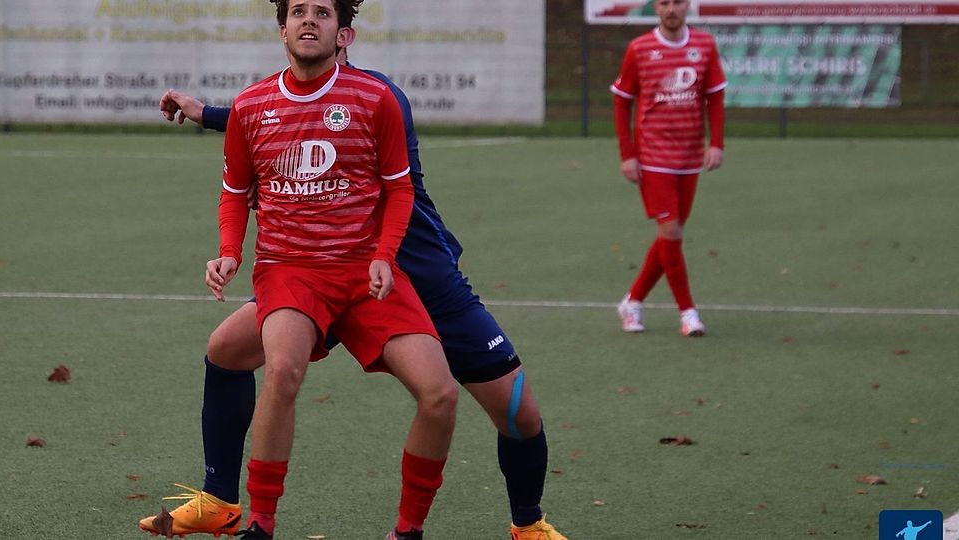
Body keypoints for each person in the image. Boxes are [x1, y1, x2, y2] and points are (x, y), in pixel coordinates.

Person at [139, 1, 567, 539]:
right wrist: (212, 115)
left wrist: (213, 115)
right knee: (226, 352)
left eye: (323, 14)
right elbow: (274, 113)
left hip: (415, 278)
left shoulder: (377, 97)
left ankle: (527, 525)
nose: (310, 22)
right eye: (299, 13)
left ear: (346, 35)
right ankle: (224, 502)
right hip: (319, 268)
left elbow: (345, 137)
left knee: (519, 413)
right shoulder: (270, 100)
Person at [610, 0, 726, 336]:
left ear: (687, 6)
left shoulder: (704, 44)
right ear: (656, 9)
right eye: (663, 3)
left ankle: (632, 301)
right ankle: (688, 313)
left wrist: (716, 143)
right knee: (671, 233)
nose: (671, 9)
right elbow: (622, 102)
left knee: (668, 239)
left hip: (689, 159)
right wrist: (627, 154)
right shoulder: (640, 48)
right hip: (653, 157)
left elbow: (715, 95)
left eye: (677, 2)